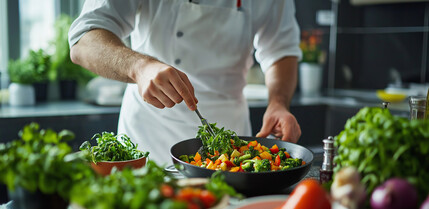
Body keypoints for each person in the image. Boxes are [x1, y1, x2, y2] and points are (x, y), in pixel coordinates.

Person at [69, 0, 302, 165]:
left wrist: (278, 103)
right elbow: (83, 41)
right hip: (149, 138)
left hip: (231, 145)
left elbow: (281, 50)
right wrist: (140, 67)